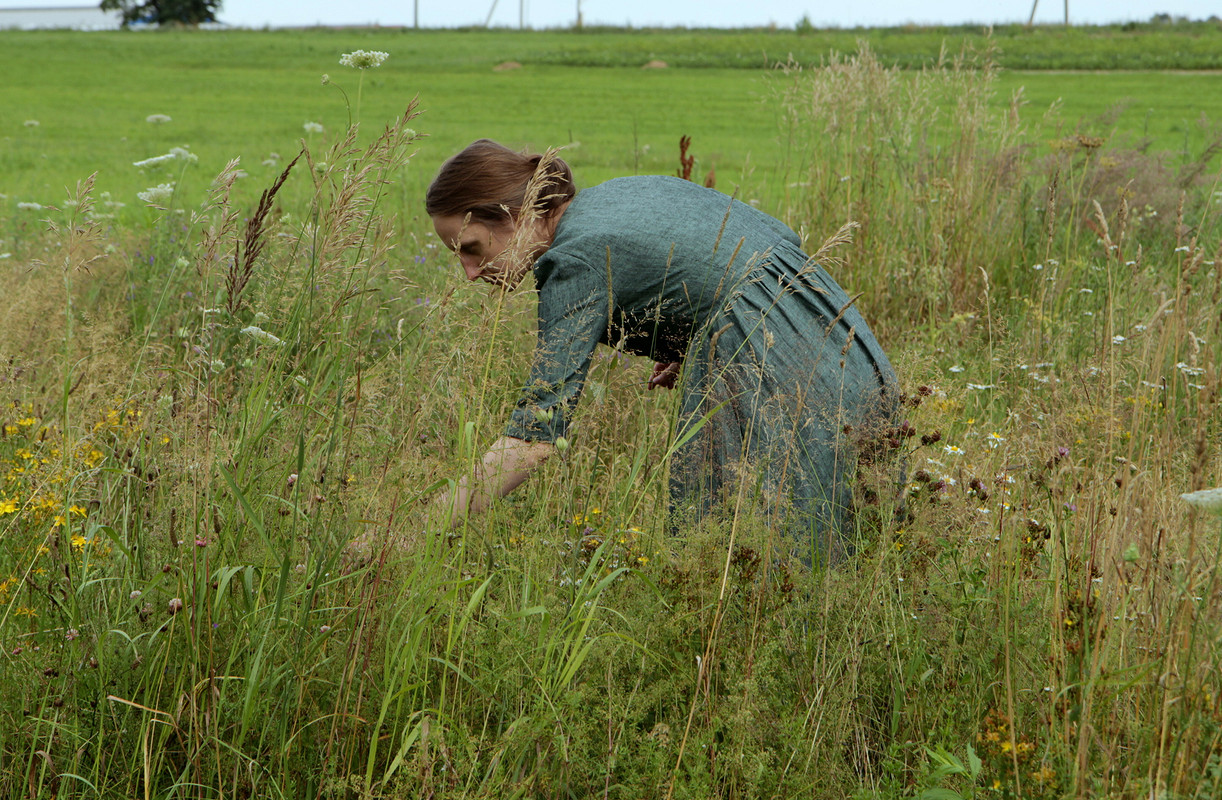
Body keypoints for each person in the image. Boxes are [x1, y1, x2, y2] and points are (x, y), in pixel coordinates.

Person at [425, 139, 899, 561]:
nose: (469, 272)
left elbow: (533, 438)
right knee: (861, 555)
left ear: (513, 215)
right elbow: (769, 240)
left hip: (786, 379)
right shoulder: (615, 195)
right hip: (843, 347)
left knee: (750, 569)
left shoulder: (571, 261)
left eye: (472, 248)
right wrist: (705, 327)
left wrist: (415, 535)